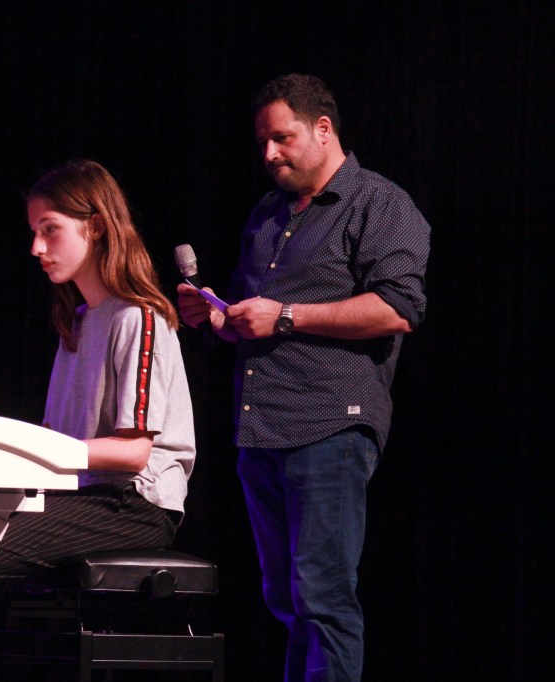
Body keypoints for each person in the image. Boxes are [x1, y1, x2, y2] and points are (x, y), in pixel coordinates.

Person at [0, 158, 196, 681]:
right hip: (78, 498)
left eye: (50, 230)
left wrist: (41, 452)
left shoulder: (138, 317)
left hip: (133, 503)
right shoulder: (77, 324)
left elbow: (133, 453)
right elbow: (58, 443)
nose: (37, 247)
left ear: (96, 226)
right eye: (34, 232)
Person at [177, 74, 430, 682]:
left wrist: (286, 314)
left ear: (323, 129)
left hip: (330, 428)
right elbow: (252, 320)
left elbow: (398, 309)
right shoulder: (268, 213)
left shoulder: (379, 203)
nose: (269, 154)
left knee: (322, 597)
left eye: (282, 138)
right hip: (261, 429)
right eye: (262, 142)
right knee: (287, 600)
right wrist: (217, 319)